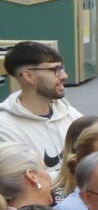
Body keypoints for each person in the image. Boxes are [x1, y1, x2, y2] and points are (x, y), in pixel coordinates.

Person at [0, 42, 81, 171]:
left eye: (62, 68)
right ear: (29, 76)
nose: (64, 76)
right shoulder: (5, 129)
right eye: (55, 70)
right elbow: (27, 183)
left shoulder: (69, 113)